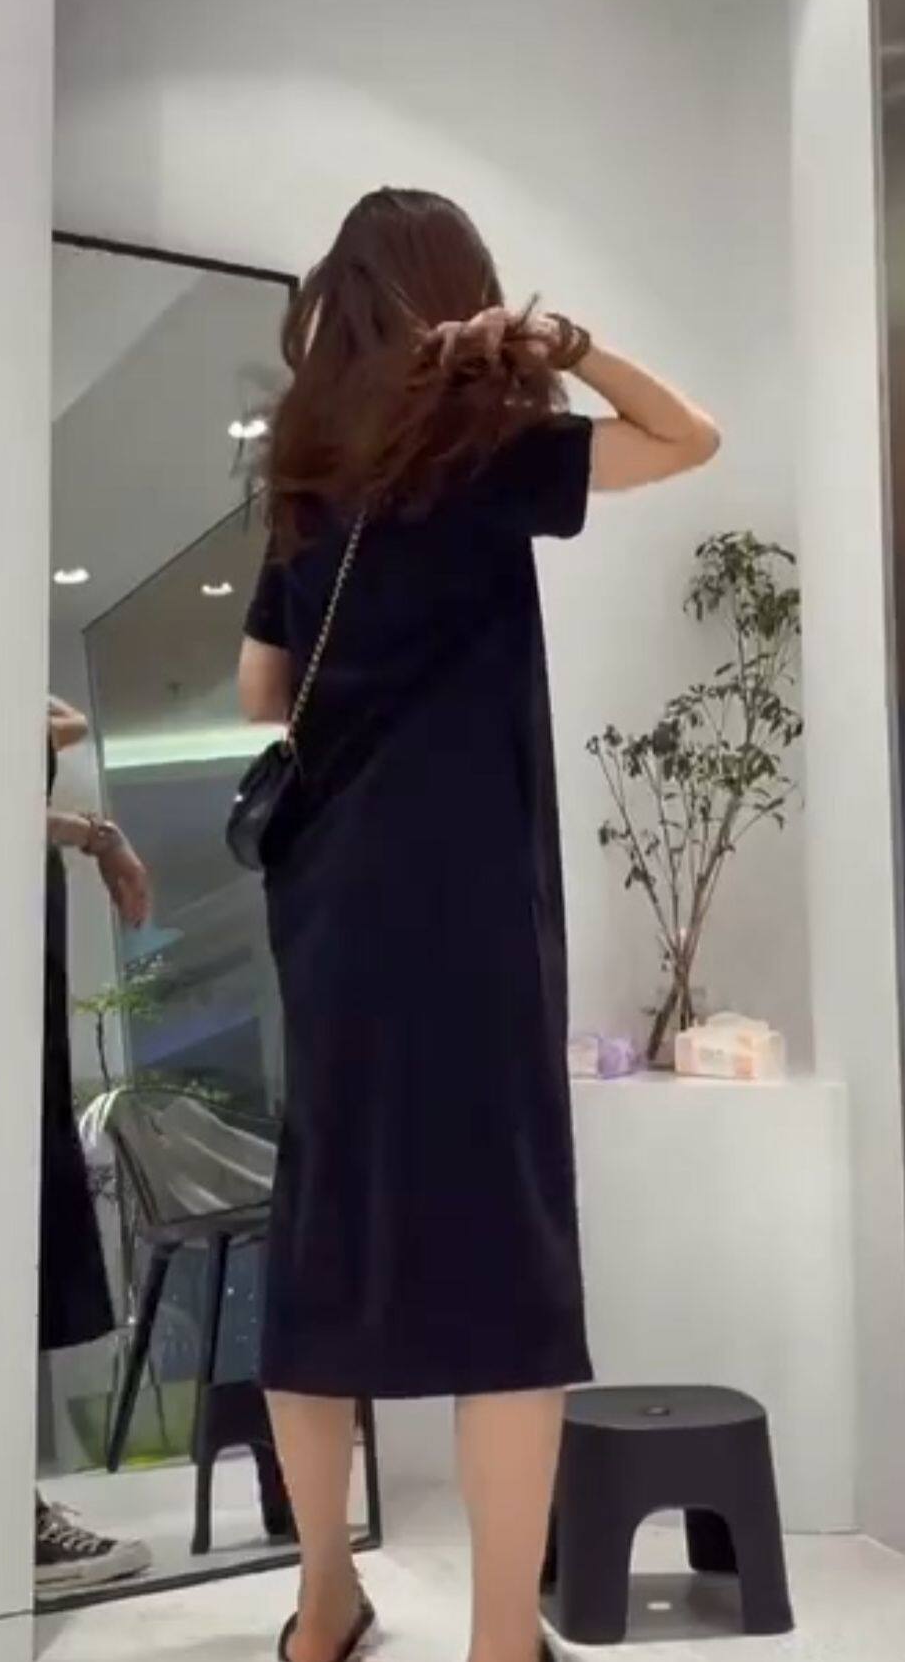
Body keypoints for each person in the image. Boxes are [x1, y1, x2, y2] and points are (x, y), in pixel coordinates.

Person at [238, 189, 719, 1662]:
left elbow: (262, 692)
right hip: (469, 904)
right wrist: (565, 347)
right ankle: (502, 1639)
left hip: (331, 906)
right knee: (502, 1257)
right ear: (465, 290)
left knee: (324, 1242)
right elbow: (688, 436)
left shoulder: (306, 471)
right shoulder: (485, 446)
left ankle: (326, 1603)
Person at [37, 698, 155, 1595]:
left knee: (29, 1239)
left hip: (24, 983)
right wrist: (94, 835)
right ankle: (6, 1523)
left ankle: (11, 1512)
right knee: (6, 1247)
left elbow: (64, 720)